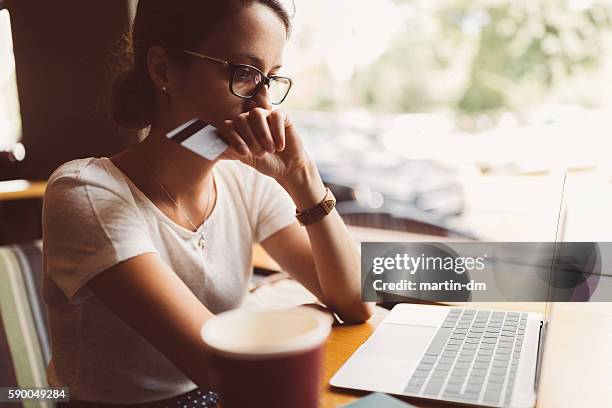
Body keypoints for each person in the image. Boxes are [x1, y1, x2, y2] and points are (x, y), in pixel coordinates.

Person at [42, 0, 374, 406]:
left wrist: (302, 178)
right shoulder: (87, 193)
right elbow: (219, 367)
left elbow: (356, 302)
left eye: (272, 78)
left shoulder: (244, 180)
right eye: (245, 73)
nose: (264, 105)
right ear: (163, 69)